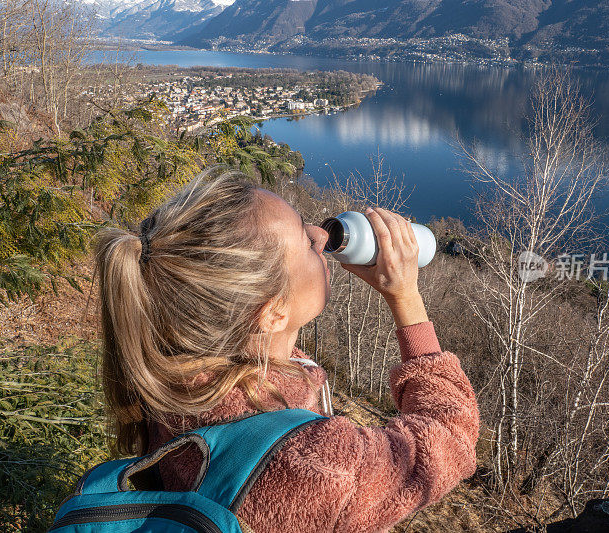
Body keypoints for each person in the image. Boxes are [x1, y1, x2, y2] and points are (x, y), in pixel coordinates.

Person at [94, 166, 480, 532]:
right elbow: (451, 436)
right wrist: (406, 299)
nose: (322, 234)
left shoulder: (173, 363)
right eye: (305, 242)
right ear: (273, 312)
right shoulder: (313, 466)